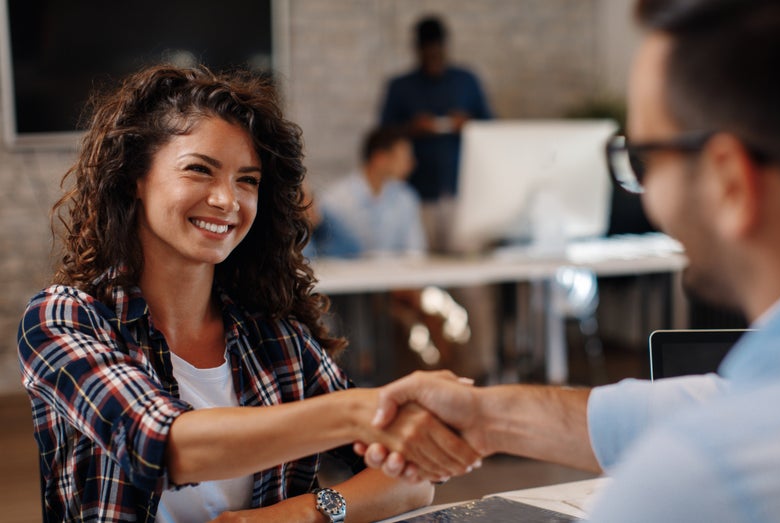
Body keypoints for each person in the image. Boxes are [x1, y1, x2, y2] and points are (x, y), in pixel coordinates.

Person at [360, 0, 780, 520]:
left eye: (644, 157)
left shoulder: (702, 481)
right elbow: (709, 401)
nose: (646, 193)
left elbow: (719, 429)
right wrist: (485, 416)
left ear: (730, 182)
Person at [16, 65, 479, 523]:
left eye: (247, 180)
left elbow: (413, 479)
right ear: (135, 178)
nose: (228, 200)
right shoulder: (64, 319)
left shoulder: (275, 338)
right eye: (200, 170)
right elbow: (162, 445)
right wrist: (359, 412)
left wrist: (301, 513)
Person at [378, 15, 493, 252]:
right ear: (417, 50)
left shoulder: (466, 80)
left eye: (437, 52)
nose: (433, 57)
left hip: (461, 191)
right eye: (427, 52)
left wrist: (468, 123)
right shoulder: (400, 87)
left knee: (468, 273)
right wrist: (412, 128)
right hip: (417, 194)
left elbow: (492, 127)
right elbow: (382, 135)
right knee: (421, 265)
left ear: (445, 48)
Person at [316, 126, 426, 258]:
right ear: (380, 158)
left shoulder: (406, 197)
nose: (411, 164)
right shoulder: (335, 200)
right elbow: (327, 253)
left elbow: (415, 252)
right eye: (404, 157)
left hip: (396, 276)